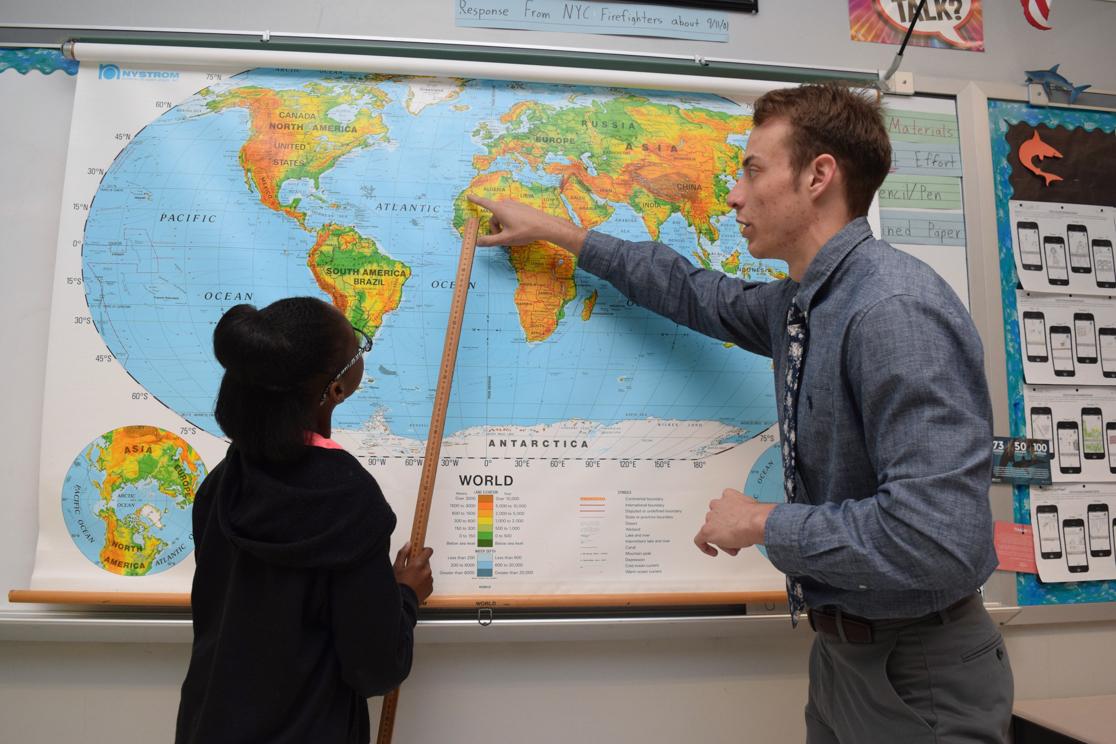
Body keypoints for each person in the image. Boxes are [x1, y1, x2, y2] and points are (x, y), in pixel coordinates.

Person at [468, 83, 1012, 743]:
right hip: (845, 658)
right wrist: (558, 232)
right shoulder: (803, 304)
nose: (733, 194)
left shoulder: (892, 311)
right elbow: (697, 295)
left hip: (918, 673)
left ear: (818, 176)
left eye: (754, 170)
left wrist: (761, 522)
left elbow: (936, 539)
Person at [175, 297, 433, 744]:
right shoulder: (348, 499)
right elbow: (375, 669)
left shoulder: (221, 484)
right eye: (359, 348)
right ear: (335, 390)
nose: (361, 352)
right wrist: (406, 595)